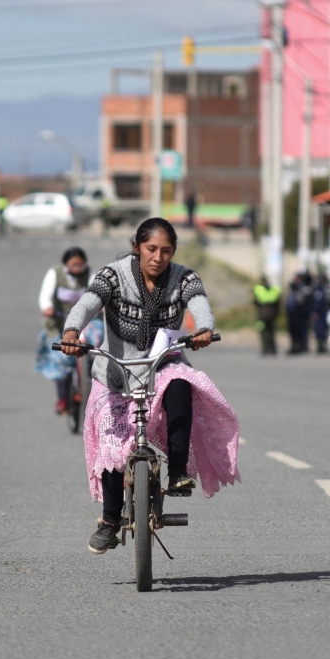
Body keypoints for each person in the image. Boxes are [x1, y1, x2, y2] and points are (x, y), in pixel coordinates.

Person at [61, 217, 240, 555]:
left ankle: (176, 473)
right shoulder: (112, 275)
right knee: (113, 444)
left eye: (166, 251)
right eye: (151, 249)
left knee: (182, 384)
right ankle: (111, 521)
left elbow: (200, 303)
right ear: (137, 248)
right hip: (116, 373)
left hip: (162, 366)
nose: (158, 257)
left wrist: (203, 328)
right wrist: (72, 331)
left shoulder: (183, 278)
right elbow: (88, 303)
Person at [35, 247, 93, 414]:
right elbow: (45, 296)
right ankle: (62, 398)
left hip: (85, 322)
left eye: (80, 265)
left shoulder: (91, 275)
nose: (77, 269)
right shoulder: (55, 273)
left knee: (96, 347)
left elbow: (97, 294)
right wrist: (47, 307)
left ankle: (93, 388)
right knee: (61, 357)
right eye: (73, 265)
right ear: (66, 264)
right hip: (59, 321)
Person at [252, 275, 281, 355]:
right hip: (272, 315)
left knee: (264, 332)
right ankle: (272, 348)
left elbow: (255, 302)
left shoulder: (259, 290)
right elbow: (277, 304)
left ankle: (266, 348)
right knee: (271, 332)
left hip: (262, 315)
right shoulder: (274, 291)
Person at [311, 273, 330, 354]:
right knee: (318, 331)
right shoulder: (317, 289)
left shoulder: (328, 289)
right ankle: (320, 346)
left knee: (325, 330)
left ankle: (325, 346)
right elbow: (313, 302)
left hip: (325, 312)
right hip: (318, 314)